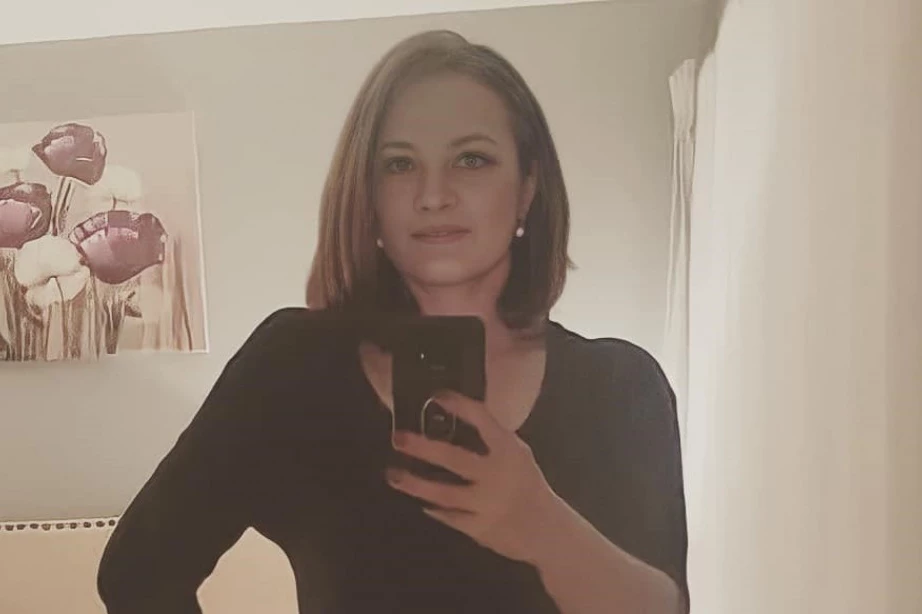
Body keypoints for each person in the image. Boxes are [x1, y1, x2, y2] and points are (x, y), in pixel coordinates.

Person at [96, 30, 689, 614]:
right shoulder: (292, 370)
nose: (433, 195)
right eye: (400, 164)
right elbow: (138, 574)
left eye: (471, 159)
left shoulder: (619, 387)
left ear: (527, 188)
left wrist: (543, 527)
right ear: (369, 196)